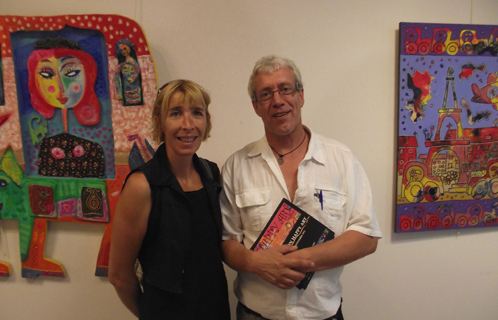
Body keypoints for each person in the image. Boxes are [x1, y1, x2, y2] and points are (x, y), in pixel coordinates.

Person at [220, 55, 382, 320]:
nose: (278, 100)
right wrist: (256, 263)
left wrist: (295, 261)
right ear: (256, 106)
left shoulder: (341, 159)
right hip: (256, 314)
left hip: (322, 314)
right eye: (265, 94)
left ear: (301, 95)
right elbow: (227, 240)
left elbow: (366, 236)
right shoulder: (236, 166)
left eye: (285, 89)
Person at [109, 79, 231, 320]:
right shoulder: (141, 186)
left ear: (206, 122)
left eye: (197, 113)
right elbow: (119, 276)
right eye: (175, 113)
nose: (188, 125)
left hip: (215, 310)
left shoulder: (211, 174)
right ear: (159, 122)